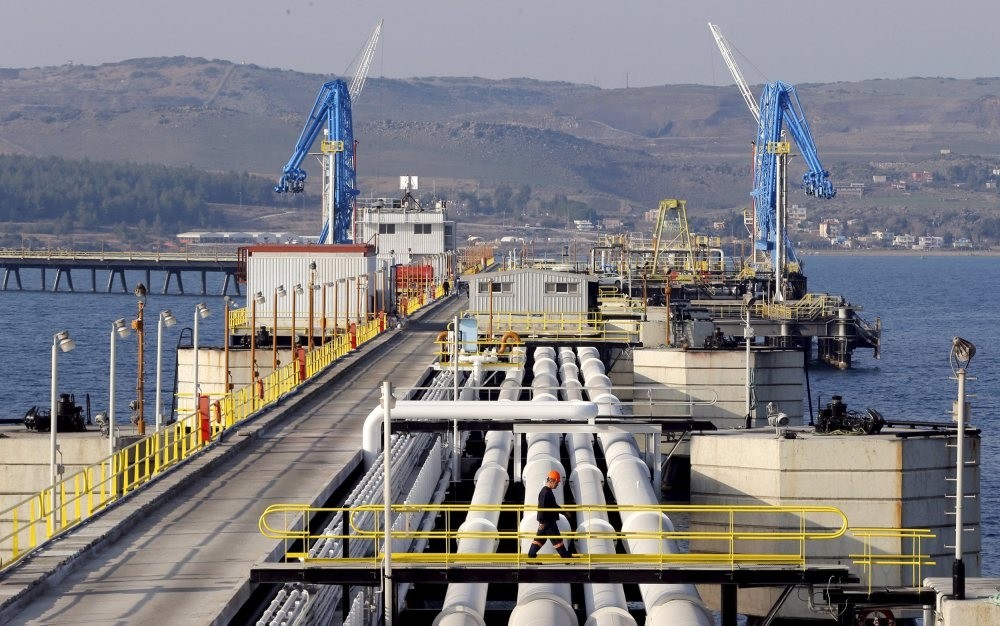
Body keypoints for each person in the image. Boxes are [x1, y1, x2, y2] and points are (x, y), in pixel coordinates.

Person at [527, 469, 572, 558]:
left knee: (540, 540)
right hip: (548, 522)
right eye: (557, 482)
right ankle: (565, 556)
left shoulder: (548, 491)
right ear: (551, 481)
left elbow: (554, 506)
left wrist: (564, 512)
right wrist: (542, 522)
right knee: (557, 539)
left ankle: (531, 555)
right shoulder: (545, 492)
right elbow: (541, 507)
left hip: (547, 521)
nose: (558, 484)